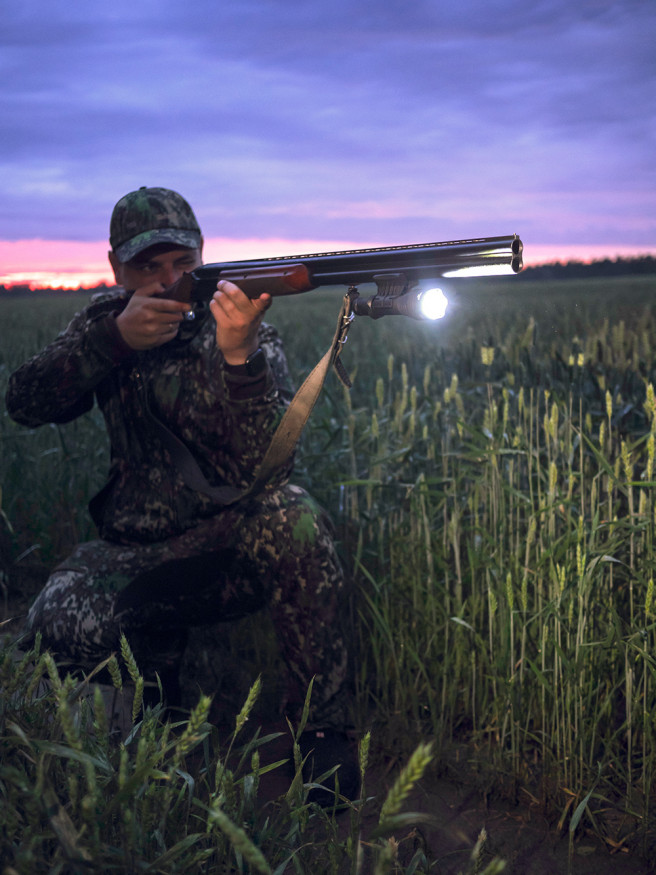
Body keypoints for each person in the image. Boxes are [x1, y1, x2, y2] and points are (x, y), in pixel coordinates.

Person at [6, 188, 355, 784]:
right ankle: (132, 724)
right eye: (149, 267)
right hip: (130, 552)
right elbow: (26, 402)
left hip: (224, 546)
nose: (169, 280)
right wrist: (113, 340)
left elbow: (268, 468)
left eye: (182, 264)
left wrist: (238, 354)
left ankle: (322, 737)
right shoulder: (101, 323)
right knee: (58, 618)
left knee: (294, 517)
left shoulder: (240, 328)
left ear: (202, 257)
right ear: (117, 269)